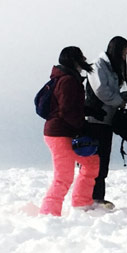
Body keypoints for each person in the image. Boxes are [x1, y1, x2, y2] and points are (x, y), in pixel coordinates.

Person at [40, 46, 99, 215]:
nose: (84, 59)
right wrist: (83, 126)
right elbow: (67, 110)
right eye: (81, 56)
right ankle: (49, 214)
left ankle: (81, 203)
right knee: (64, 177)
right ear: (74, 60)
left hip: (59, 131)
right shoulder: (68, 81)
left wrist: (89, 111)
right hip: (59, 133)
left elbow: (70, 107)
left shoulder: (64, 79)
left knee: (91, 162)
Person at [87, 35, 127, 207]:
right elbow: (101, 90)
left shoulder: (110, 68)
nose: (125, 58)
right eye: (124, 54)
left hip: (106, 120)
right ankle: (90, 198)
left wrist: (126, 97)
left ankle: (97, 197)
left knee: (102, 161)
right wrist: (120, 101)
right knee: (93, 162)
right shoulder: (98, 66)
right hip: (95, 120)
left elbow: (110, 93)